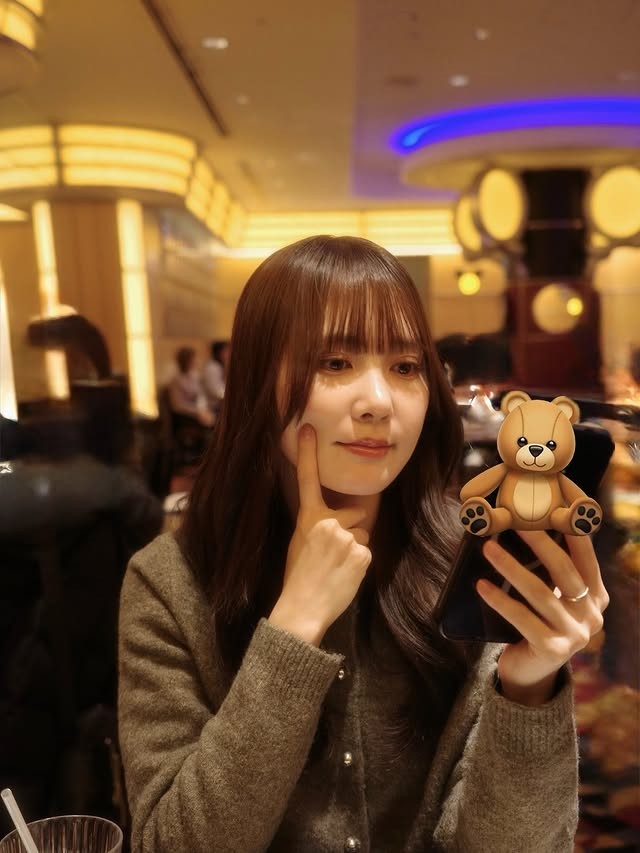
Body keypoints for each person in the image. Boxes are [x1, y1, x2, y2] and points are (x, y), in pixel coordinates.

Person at [118, 235, 607, 852]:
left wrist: (528, 687)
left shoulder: (471, 562)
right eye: (334, 363)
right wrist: (294, 627)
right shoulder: (170, 582)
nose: (378, 402)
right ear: (256, 381)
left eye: (405, 368)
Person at [167, 346, 214, 428]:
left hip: (197, 410)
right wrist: (197, 412)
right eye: (193, 359)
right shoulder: (176, 379)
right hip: (183, 414)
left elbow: (201, 395)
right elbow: (178, 405)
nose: (196, 361)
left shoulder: (195, 375)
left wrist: (203, 409)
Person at [202, 339, 230, 414]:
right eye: (226, 351)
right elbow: (215, 390)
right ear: (218, 352)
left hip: (219, 404)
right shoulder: (212, 367)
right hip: (213, 406)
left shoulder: (220, 365)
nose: (229, 354)